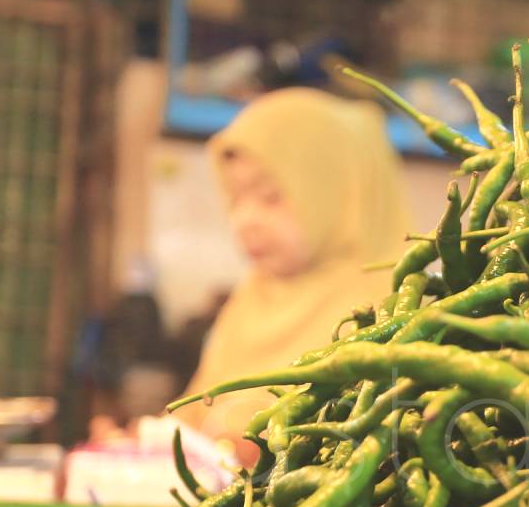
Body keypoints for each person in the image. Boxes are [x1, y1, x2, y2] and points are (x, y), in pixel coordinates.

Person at [175, 87, 412, 456]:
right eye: (236, 197)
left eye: (272, 197)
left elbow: (360, 450)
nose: (245, 220)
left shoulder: (389, 307)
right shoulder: (253, 297)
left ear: (340, 194)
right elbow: (194, 416)